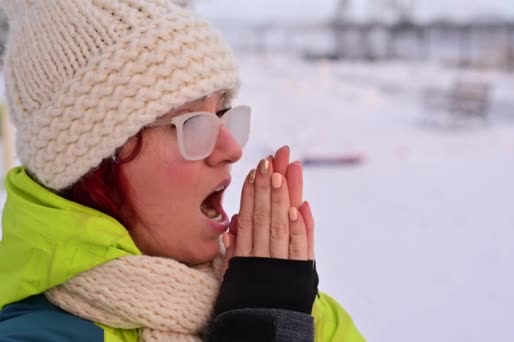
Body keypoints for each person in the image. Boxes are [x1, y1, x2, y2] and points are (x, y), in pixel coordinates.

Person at [0, 0, 365, 341]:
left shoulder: (275, 293)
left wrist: (283, 308)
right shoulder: (37, 332)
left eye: (223, 115)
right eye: (192, 123)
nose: (232, 149)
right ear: (91, 163)